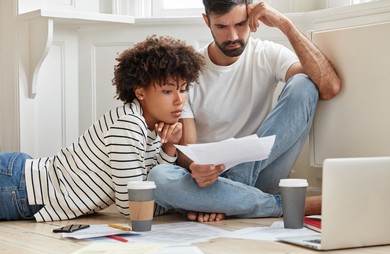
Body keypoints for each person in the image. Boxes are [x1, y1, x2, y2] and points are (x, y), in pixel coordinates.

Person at [147, 0, 341, 222]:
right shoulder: (189, 72)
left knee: (304, 84)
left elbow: (329, 87)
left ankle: (228, 197)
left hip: (262, 172)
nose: (233, 36)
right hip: (211, 180)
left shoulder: (267, 54)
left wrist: (285, 24)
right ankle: (282, 204)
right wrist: (196, 168)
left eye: (240, 24)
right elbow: (188, 151)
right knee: (158, 178)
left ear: (252, 18)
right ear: (206, 21)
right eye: (221, 27)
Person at [0, 35, 205, 222]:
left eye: (183, 89)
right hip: (18, 186)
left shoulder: (151, 127)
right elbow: (133, 207)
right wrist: (183, 207)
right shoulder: (129, 124)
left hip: (22, 184)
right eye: (168, 91)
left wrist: (169, 146)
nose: (179, 100)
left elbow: (146, 183)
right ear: (140, 92)